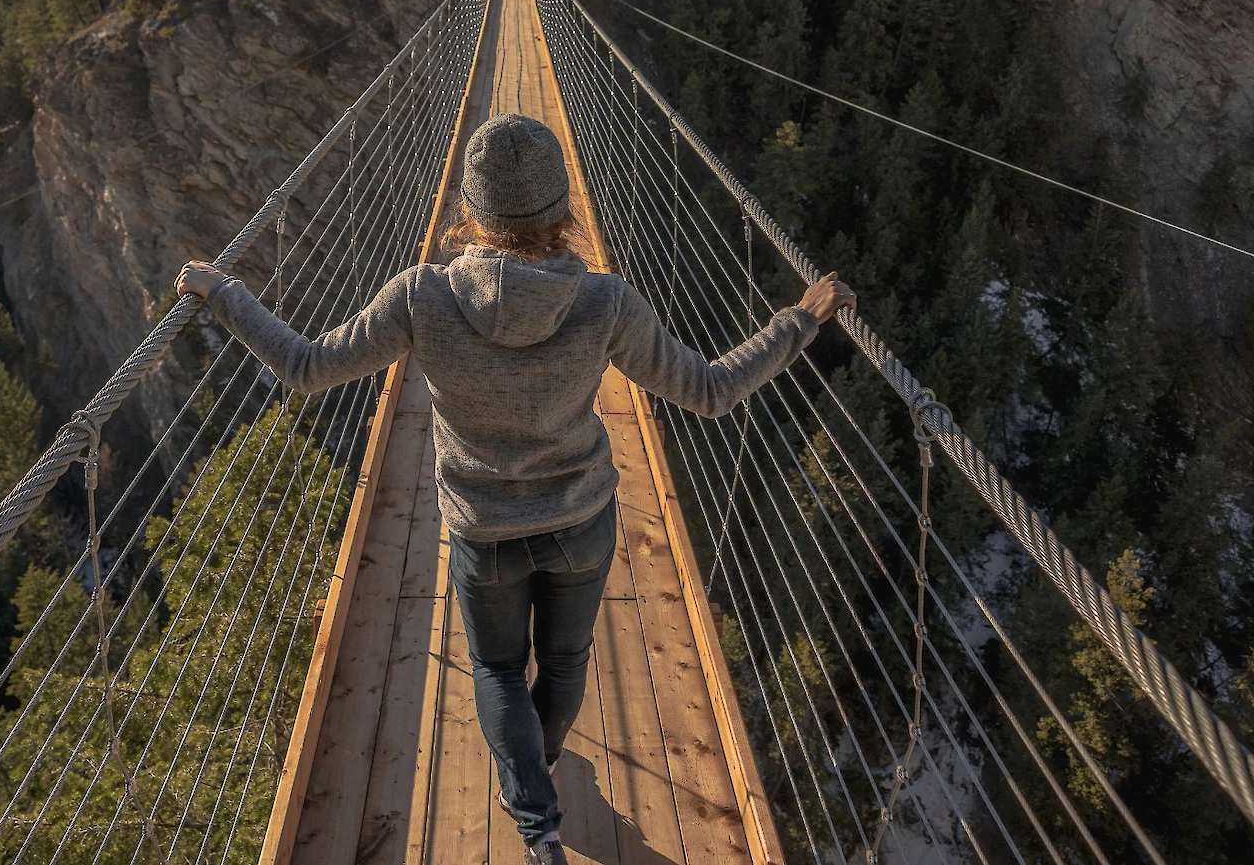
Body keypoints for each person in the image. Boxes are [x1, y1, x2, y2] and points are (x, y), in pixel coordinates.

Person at [175, 112, 853, 865]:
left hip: (483, 530)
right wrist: (797, 322)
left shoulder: (421, 297)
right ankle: (543, 759)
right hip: (581, 523)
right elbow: (708, 389)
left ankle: (540, 826)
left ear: (469, 210)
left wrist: (223, 290)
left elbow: (304, 367)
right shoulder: (605, 302)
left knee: (497, 669)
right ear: (563, 209)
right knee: (564, 663)